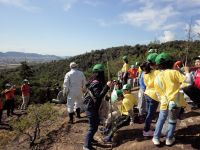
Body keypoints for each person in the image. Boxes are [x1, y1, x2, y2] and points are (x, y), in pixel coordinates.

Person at [152, 52, 190, 146]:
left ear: (158, 65)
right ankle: (169, 139)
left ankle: (156, 138)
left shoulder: (157, 76)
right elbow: (188, 81)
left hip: (164, 102)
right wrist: (187, 72)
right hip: (175, 102)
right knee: (172, 121)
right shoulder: (174, 72)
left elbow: (157, 92)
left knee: (161, 119)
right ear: (171, 63)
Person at [83, 63, 112, 150]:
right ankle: (86, 146)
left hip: (92, 106)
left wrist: (106, 93)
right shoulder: (96, 83)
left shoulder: (94, 81)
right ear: (100, 73)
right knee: (93, 126)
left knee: (95, 124)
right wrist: (107, 86)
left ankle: (90, 140)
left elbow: (99, 95)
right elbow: (98, 96)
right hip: (90, 107)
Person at [142, 53, 160, 137]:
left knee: (148, 113)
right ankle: (146, 130)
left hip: (147, 93)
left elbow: (145, 84)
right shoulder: (157, 72)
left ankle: (147, 127)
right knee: (150, 114)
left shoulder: (145, 73)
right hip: (154, 96)